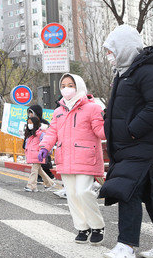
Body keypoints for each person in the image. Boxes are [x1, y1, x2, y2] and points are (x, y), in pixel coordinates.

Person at [100, 25, 153, 258]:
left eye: (111, 50)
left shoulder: (146, 71)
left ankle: (126, 245)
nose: (108, 56)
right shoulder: (124, 73)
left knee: (127, 191)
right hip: (130, 148)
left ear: (124, 47)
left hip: (143, 146)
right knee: (151, 196)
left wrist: (133, 130)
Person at [39, 73, 106, 245]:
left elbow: (101, 132)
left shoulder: (93, 107)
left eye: (70, 85)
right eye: (63, 85)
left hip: (87, 157)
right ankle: (82, 228)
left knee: (84, 192)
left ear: (79, 86)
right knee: (72, 195)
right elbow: (52, 132)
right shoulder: (58, 111)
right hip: (66, 158)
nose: (66, 88)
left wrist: (110, 121)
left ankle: (97, 226)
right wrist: (44, 147)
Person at [24, 116, 56, 192]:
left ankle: (31, 186)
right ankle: (50, 183)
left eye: (31, 123)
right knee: (39, 170)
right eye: (28, 123)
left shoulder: (41, 133)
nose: (29, 125)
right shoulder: (31, 134)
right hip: (33, 155)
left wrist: (45, 152)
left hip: (39, 155)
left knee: (34, 170)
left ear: (35, 123)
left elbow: (46, 143)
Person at [27, 105, 56, 181]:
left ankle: (33, 184)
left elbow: (48, 135)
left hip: (42, 145)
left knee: (43, 162)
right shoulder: (29, 122)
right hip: (33, 146)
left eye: (31, 112)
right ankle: (47, 180)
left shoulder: (44, 123)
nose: (30, 114)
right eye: (29, 112)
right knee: (37, 164)